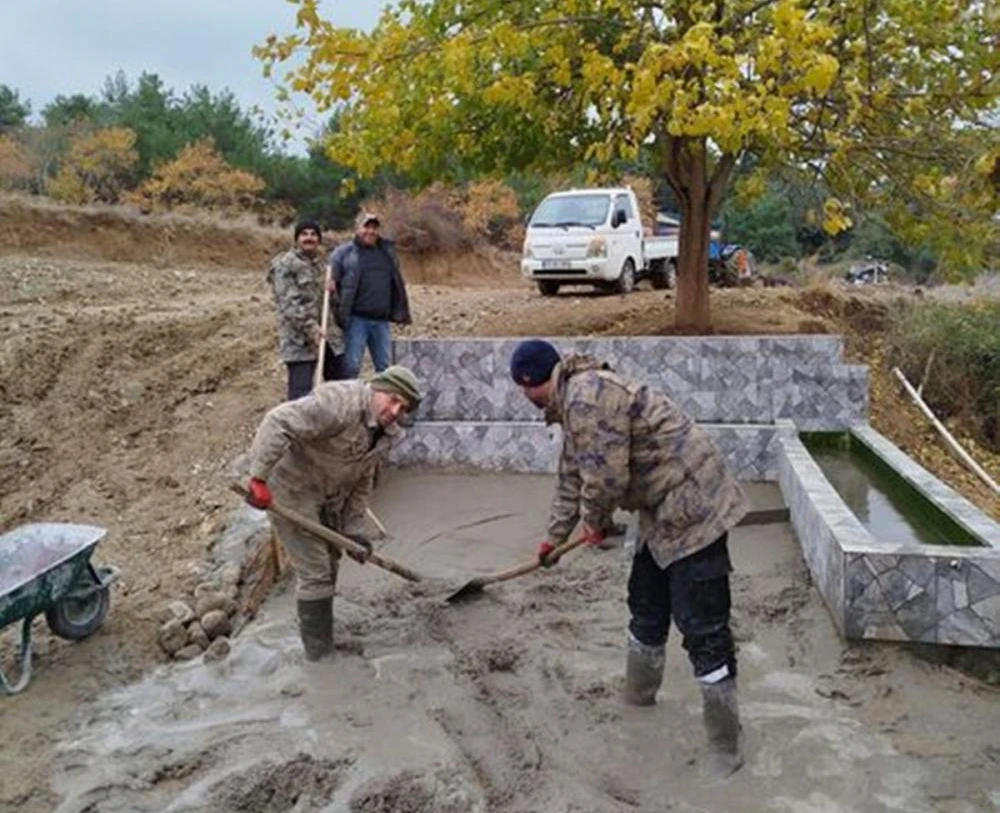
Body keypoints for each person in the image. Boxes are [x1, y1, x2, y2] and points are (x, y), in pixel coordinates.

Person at [509, 339, 749, 776]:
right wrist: (553, 538)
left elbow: (605, 478)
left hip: (694, 505)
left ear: (533, 383)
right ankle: (638, 697)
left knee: (703, 628)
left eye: (525, 389)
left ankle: (725, 746)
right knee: (646, 605)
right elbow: (572, 474)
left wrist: (594, 521)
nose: (526, 399)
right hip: (658, 513)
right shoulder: (572, 400)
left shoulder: (587, 397)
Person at [243, 366, 422, 661]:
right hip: (290, 488)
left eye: (403, 407)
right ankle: (319, 655)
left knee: (331, 560)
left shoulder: (386, 433)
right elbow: (277, 420)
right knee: (315, 571)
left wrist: (353, 530)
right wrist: (259, 477)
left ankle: (323, 634)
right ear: (377, 388)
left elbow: (362, 479)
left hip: (328, 493)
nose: (394, 410)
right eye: (392, 399)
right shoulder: (339, 404)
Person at [267, 219, 346, 401]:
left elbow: (330, 304)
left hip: (329, 338)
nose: (309, 238)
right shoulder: (285, 265)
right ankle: (299, 430)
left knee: (341, 390)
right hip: (300, 343)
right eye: (304, 234)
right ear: (297, 239)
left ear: (319, 239)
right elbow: (289, 306)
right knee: (300, 398)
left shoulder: (321, 266)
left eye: (313, 234)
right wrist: (312, 329)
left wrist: (333, 291)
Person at [329, 211, 411, 378]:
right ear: (357, 228)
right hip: (355, 320)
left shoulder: (387, 253)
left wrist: (399, 311)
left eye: (374, 228)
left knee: (386, 369)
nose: (371, 232)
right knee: (351, 367)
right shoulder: (343, 253)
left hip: (382, 321)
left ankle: (383, 403)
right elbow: (330, 280)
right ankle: (350, 402)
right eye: (366, 227)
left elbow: (396, 283)